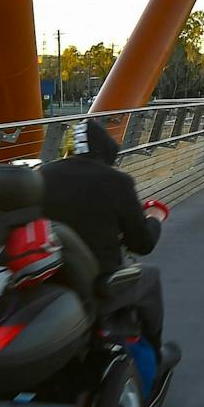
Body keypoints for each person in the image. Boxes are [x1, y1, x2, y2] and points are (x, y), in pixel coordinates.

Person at [40, 118, 179, 378]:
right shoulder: (116, 181)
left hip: (50, 284)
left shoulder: (41, 176)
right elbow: (142, 244)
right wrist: (155, 218)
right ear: (105, 150)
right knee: (150, 279)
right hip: (98, 286)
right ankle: (156, 355)